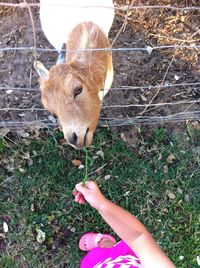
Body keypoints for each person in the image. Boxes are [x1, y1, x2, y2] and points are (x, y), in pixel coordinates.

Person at [73, 181, 176, 268]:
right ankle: (108, 244)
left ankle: (105, 244)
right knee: (121, 249)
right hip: (127, 257)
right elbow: (138, 237)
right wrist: (101, 204)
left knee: (94, 257)